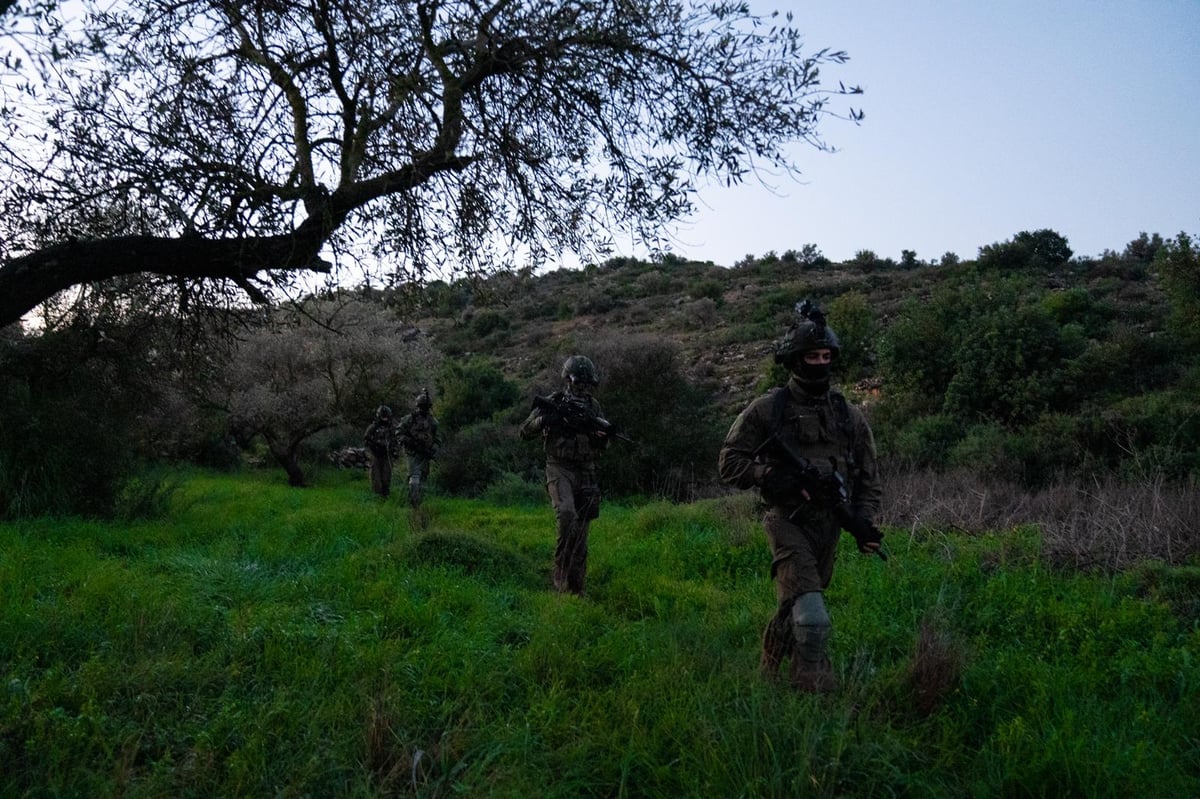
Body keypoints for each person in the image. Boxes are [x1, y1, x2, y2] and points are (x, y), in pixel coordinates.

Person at [718, 300, 884, 693]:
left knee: (795, 602)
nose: (820, 363)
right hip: (786, 520)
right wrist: (769, 475)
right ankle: (813, 695)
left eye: (827, 355)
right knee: (812, 618)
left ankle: (768, 672)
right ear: (795, 359)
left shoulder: (848, 415)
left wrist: (862, 521)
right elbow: (729, 462)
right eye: (812, 355)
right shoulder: (768, 410)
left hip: (829, 525)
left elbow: (868, 476)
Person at [520, 355, 610, 596]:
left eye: (586, 384)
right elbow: (525, 430)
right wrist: (546, 420)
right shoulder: (554, 402)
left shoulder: (593, 408)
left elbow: (603, 442)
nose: (582, 388)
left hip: (586, 470)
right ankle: (560, 575)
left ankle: (576, 587)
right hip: (559, 467)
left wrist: (599, 438)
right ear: (568, 380)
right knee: (567, 514)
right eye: (578, 382)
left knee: (581, 533)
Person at [395, 388, 443, 508]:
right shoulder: (409, 419)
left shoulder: (433, 422)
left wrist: (433, 449)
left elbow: (438, 438)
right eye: (422, 407)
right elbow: (399, 432)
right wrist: (407, 441)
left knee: (423, 479)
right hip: (412, 453)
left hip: (425, 454)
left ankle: (419, 503)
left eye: (425, 407)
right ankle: (413, 504)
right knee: (414, 478)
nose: (423, 410)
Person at [364, 404, 398, 498]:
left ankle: (385, 494)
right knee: (376, 477)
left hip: (387, 455)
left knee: (386, 476)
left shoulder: (392, 428)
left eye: (386, 417)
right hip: (375, 455)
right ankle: (377, 496)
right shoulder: (373, 427)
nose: (385, 419)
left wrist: (395, 450)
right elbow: (366, 439)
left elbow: (396, 440)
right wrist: (374, 446)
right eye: (383, 417)